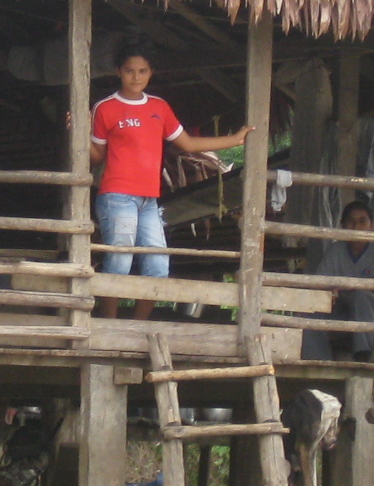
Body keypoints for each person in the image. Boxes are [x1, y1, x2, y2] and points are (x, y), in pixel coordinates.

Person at [90, 35, 254, 321]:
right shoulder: (106, 108)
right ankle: (109, 325)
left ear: (151, 72)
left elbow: (188, 144)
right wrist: (77, 132)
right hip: (118, 198)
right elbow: (96, 157)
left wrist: (235, 140)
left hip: (150, 201)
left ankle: (138, 326)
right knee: (120, 259)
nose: (136, 77)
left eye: (142, 71)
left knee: (157, 267)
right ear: (119, 72)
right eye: (129, 70)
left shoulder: (159, 107)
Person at [301, 199, 374, 360]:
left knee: (361, 296)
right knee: (311, 312)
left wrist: (343, 289)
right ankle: (318, 363)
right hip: (347, 317)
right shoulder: (336, 250)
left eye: (362, 221)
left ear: (371, 225)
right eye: (351, 222)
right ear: (343, 226)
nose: (356, 226)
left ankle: (363, 357)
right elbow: (319, 286)